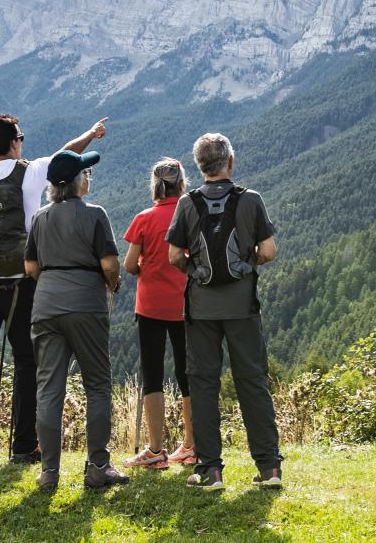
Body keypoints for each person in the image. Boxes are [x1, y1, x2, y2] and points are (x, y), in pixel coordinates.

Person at [0, 115, 108, 469]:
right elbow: (66, 154)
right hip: (22, 280)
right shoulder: (32, 171)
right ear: (13, 143)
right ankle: (23, 446)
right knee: (27, 361)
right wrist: (92, 133)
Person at [167, 132, 282, 490]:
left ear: (201, 167)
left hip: (201, 308)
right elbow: (269, 250)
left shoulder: (187, 203)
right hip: (242, 306)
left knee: (203, 385)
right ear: (230, 161)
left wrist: (196, 272)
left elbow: (174, 256)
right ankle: (269, 469)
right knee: (252, 382)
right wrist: (247, 264)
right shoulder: (250, 200)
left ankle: (210, 471)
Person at [25, 149, 127, 490]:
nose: (90, 177)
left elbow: (30, 268)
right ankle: (98, 466)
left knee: (49, 388)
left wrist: (53, 285)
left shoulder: (40, 218)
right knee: (97, 384)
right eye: (87, 173)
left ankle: (49, 472)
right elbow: (110, 265)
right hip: (86, 303)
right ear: (80, 181)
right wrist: (112, 285)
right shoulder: (96, 215)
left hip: (46, 305)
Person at [122, 158, 196, 469]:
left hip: (150, 305)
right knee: (187, 374)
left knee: (152, 375)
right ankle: (191, 446)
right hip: (185, 304)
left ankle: (155, 451)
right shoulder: (191, 216)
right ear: (182, 184)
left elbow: (128, 265)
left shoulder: (143, 218)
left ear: (155, 186)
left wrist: (146, 268)